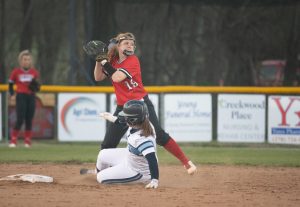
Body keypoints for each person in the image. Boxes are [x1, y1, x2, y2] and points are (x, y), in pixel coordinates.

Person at [94, 32, 196, 174]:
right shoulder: (113, 60)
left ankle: (187, 162)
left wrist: (105, 62)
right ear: (118, 46)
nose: (130, 45)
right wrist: (99, 61)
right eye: (126, 43)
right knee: (108, 143)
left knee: (159, 135)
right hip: (123, 106)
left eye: (132, 43)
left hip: (141, 105)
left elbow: (117, 77)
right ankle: (100, 171)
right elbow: (98, 77)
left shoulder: (133, 61)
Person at [96, 100, 159, 188]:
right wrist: (111, 118)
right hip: (131, 157)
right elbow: (123, 121)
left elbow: (152, 159)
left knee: (100, 178)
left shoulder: (142, 139)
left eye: (126, 116)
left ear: (133, 120)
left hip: (138, 171)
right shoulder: (141, 122)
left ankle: (143, 180)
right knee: (102, 154)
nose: (124, 117)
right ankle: (109, 171)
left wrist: (154, 180)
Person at [8, 50, 40, 148]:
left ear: (31, 61)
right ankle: (13, 140)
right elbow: (10, 83)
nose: (26, 61)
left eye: (28, 59)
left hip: (31, 96)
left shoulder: (34, 72)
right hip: (21, 96)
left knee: (29, 119)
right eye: (25, 59)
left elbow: (37, 85)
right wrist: (12, 93)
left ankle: (27, 141)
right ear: (21, 61)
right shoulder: (16, 72)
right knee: (20, 119)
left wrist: (36, 87)